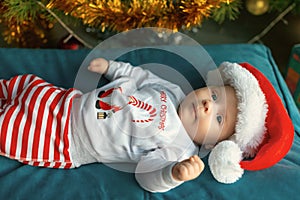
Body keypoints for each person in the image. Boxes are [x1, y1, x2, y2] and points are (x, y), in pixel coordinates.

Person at [0, 58, 294, 193]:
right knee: (22, 86)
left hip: (65, 140)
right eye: (215, 96)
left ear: (216, 146)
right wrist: (112, 68)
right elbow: (139, 77)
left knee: (8, 129)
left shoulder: (180, 149)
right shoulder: (174, 90)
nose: (208, 105)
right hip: (66, 100)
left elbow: (147, 176)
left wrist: (173, 174)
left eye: (219, 118)